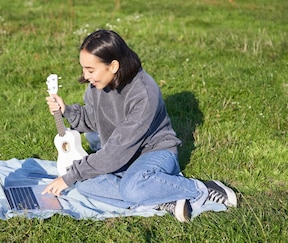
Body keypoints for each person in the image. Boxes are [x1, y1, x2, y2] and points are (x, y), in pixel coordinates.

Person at [41, 29, 237, 222]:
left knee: (129, 187)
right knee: (83, 185)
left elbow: (117, 150)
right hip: (123, 160)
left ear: (114, 66)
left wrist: (69, 176)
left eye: (90, 70)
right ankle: (159, 197)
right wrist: (66, 110)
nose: (85, 76)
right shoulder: (96, 87)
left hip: (154, 153)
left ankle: (202, 188)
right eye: (83, 68)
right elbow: (94, 120)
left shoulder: (143, 92)